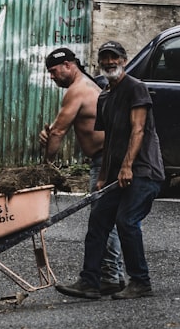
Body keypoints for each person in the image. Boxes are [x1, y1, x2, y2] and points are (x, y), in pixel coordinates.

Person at [56, 40, 164, 300]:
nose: (109, 62)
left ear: (124, 60)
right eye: (104, 58)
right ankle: (90, 282)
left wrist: (127, 166)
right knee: (98, 221)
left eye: (114, 58)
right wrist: (103, 177)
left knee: (126, 221)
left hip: (144, 171)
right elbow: (110, 140)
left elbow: (137, 130)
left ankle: (141, 282)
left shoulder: (135, 88)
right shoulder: (104, 97)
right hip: (117, 176)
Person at [39, 47, 126, 294]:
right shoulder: (85, 86)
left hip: (104, 161)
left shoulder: (77, 91)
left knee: (101, 220)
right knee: (106, 219)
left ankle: (109, 276)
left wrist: (46, 168)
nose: (52, 77)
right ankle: (113, 274)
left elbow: (57, 132)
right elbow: (55, 130)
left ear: (68, 65)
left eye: (54, 71)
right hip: (104, 159)